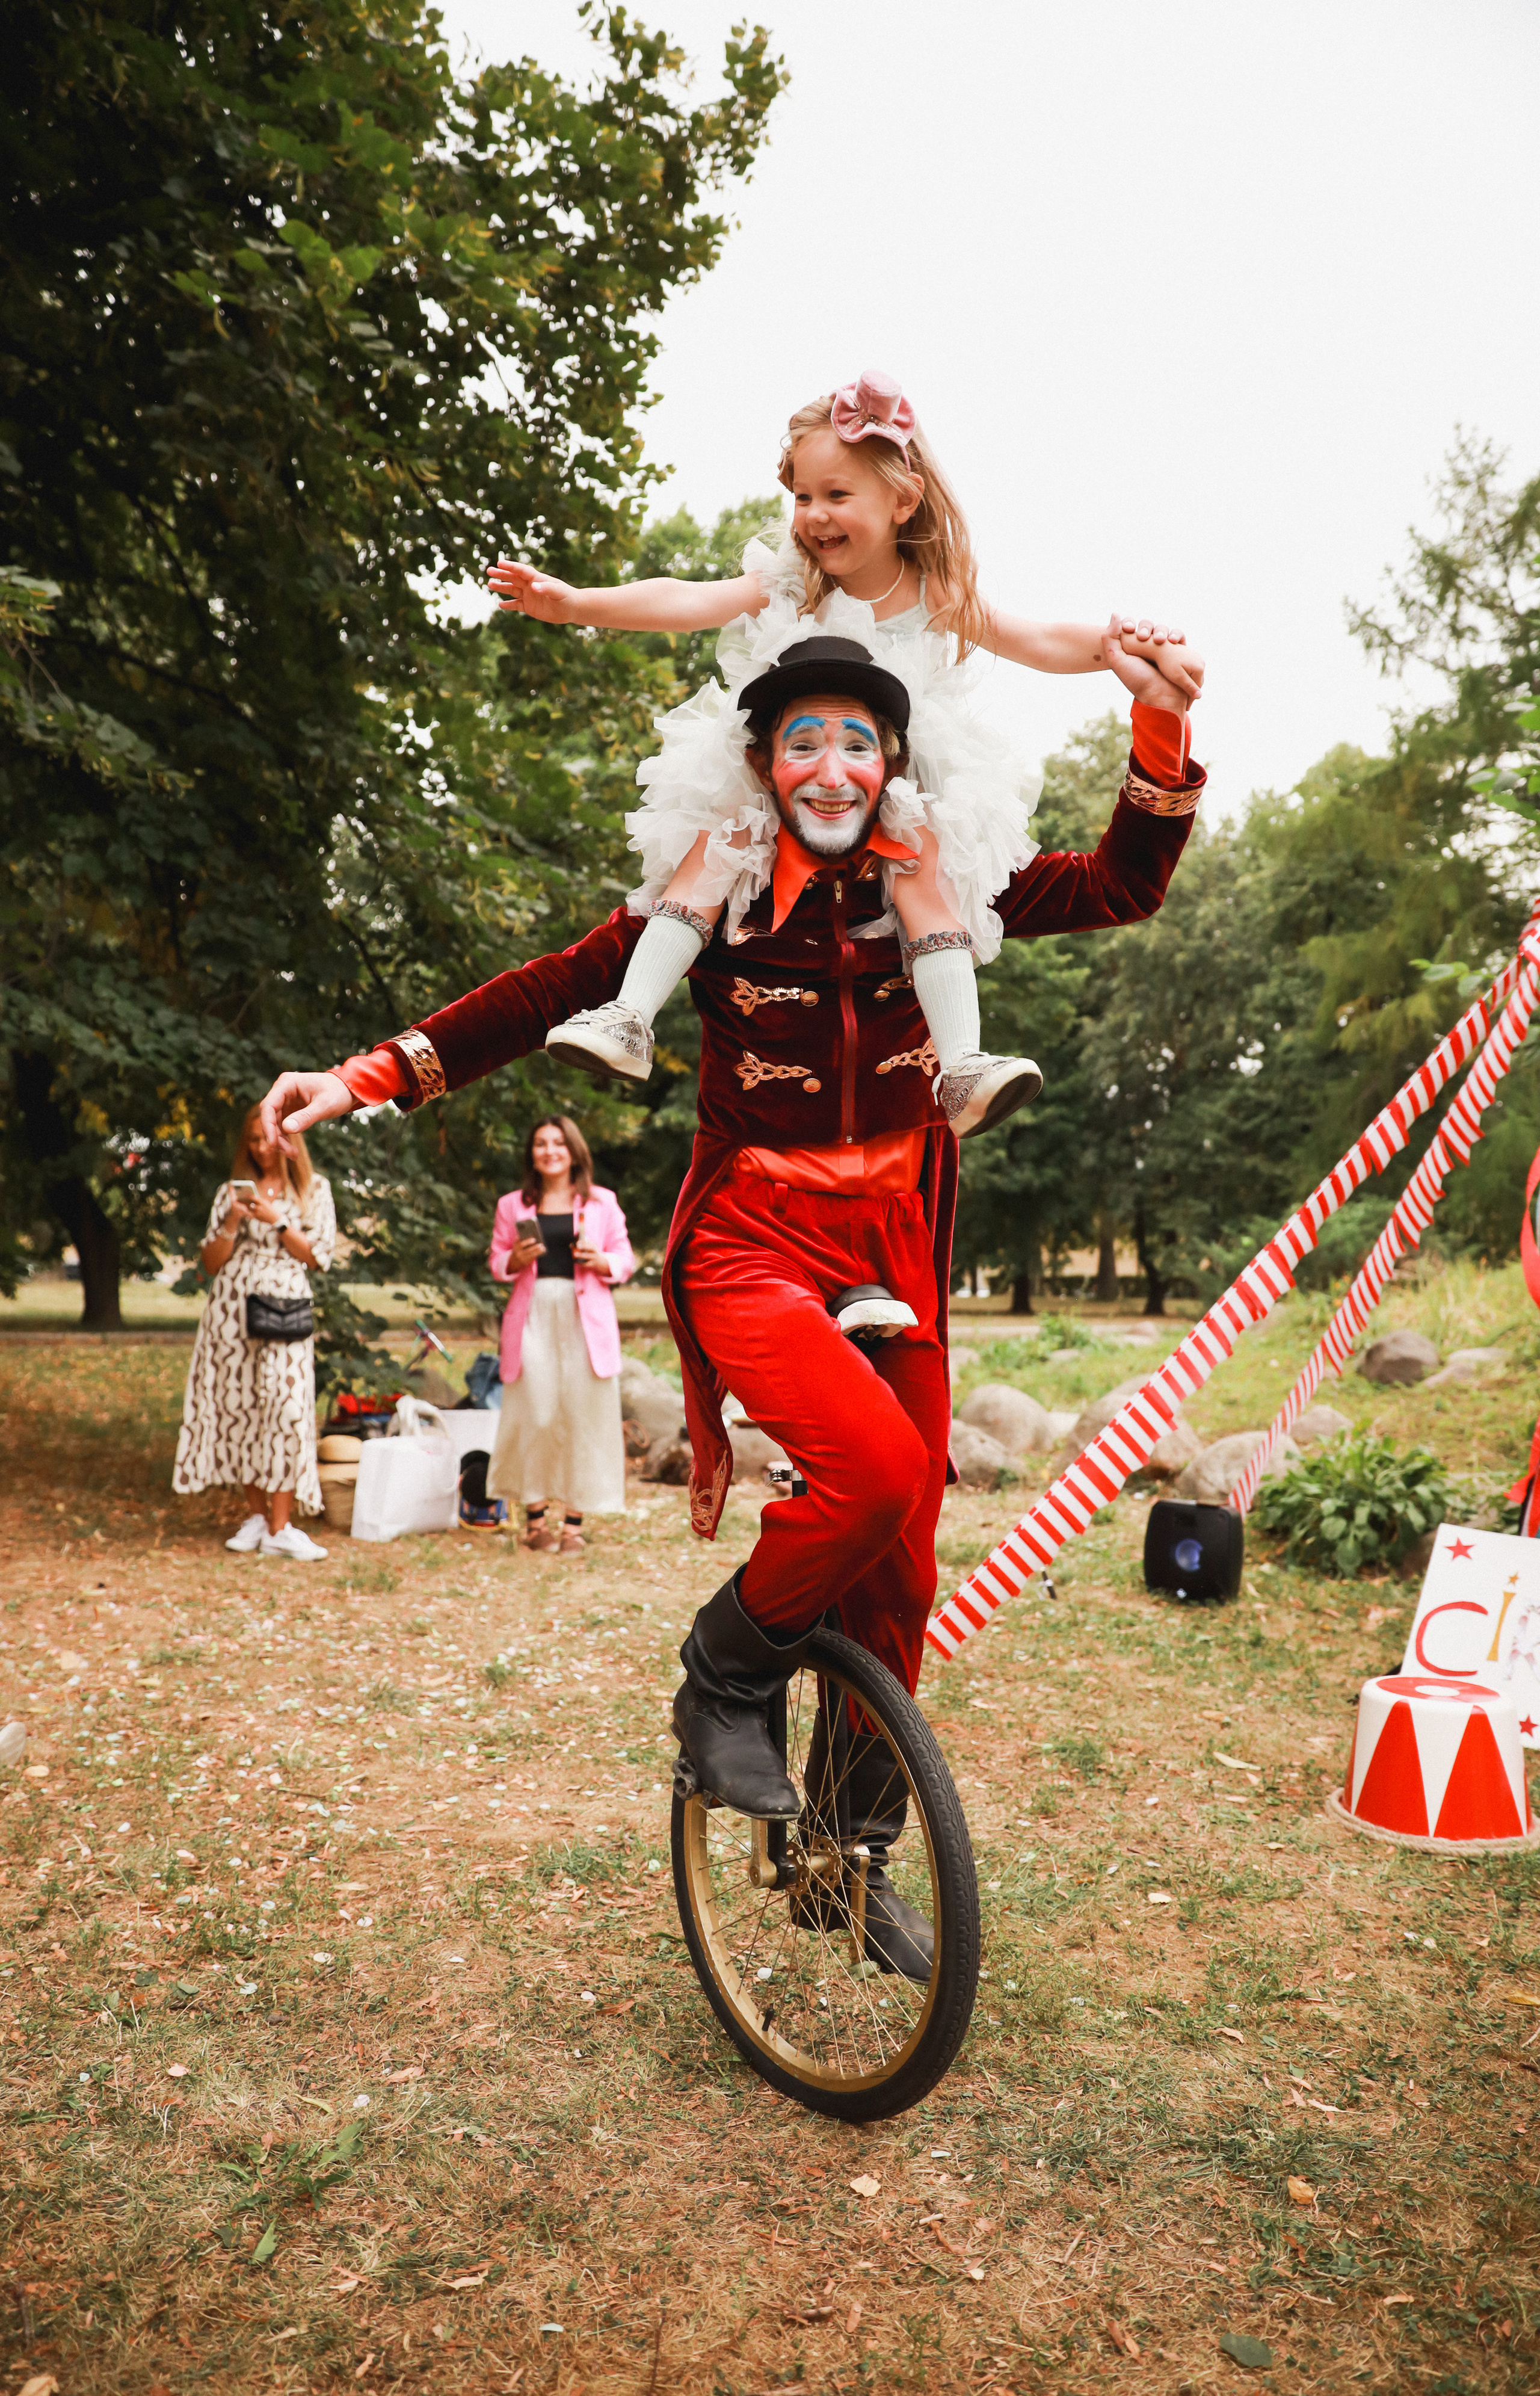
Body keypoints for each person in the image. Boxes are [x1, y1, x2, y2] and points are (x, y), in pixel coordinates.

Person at [258, 616, 1204, 1975]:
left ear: (890, 763)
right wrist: (359, 1075)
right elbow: (544, 993)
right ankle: (726, 1667)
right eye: (801, 742)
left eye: (857, 743)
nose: (830, 770)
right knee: (872, 1469)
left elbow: (1122, 882)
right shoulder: (711, 898)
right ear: (760, 764)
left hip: (893, 1241)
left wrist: (1157, 729)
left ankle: (841, 1854)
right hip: (749, 1233)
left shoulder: (937, 879)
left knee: (897, 1574)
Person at [488, 368, 1202, 1140]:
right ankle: (628, 1018)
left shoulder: (936, 592)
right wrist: (575, 605)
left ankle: (961, 1064)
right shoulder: (790, 581)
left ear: (902, 499)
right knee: (713, 851)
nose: (815, 516)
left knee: (924, 877)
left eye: (837, 495)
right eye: (802, 497)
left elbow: (1036, 640)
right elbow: (686, 598)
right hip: (789, 772)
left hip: (894, 773)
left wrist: (1117, 648)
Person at [173, 1102, 336, 1560]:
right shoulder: (231, 1192)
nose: (261, 1148)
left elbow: (317, 1255)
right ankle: (259, 1517)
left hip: (284, 1307)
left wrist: (275, 1219)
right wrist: (231, 1221)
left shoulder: (313, 1190)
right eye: (254, 1139)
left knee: (286, 1408)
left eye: (268, 1138)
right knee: (241, 1408)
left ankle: (282, 1526)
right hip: (231, 1309)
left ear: (289, 1141)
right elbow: (209, 1263)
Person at [487, 1114, 634, 1555]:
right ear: (532, 1154)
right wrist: (514, 1258)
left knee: (582, 1417)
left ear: (573, 1152)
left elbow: (624, 1258)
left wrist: (600, 1260)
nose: (549, 1150)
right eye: (541, 1144)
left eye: (558, 1143)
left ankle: (573, 1524)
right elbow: (497, 1263)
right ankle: (535, 1523)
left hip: (585, 1318)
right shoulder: (513, 1205)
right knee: (537, 1415)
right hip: (533, 1316)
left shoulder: (603, 1202)